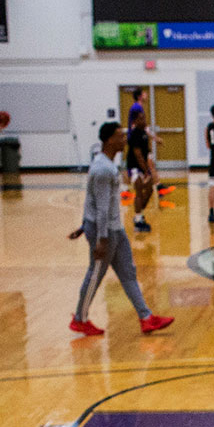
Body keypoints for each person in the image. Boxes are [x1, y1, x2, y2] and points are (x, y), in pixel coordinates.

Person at [67, 122, 174, 337]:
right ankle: (80, 319)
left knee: (128, 273)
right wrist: (100, 238)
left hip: (113, 228)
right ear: (108, 141)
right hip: (104, 231)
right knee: (95, 274)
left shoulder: (105, 164)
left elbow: (93, 201)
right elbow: (102, 207)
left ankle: (146, 317)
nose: (124, 140)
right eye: (119, 136)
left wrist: (83, 226)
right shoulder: (103, 169)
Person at [127, 106, 158, 232]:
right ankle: (138, 221)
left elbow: (146, 152)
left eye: (144, 117)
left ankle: (139, 212)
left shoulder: (144, 133)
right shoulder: (134, 135)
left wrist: (150, 168)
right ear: (135, 121)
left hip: (143, 166)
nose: (144, 120)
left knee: (150, 189)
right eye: (141, 118)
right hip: (134, 166)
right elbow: (138, 154)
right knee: (139, 190)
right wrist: (145, 171)